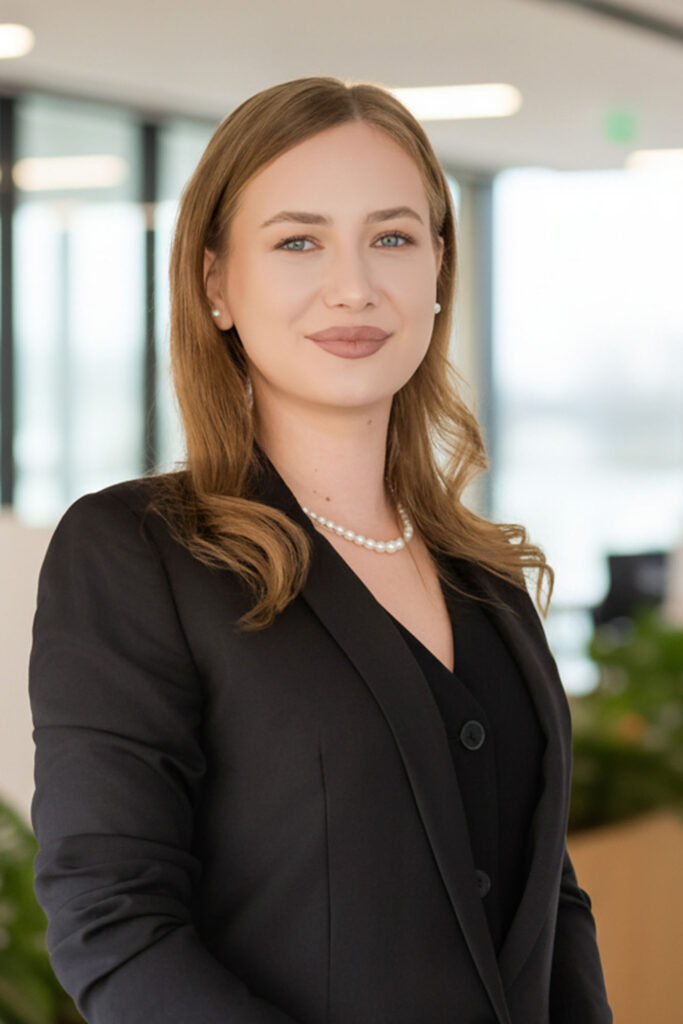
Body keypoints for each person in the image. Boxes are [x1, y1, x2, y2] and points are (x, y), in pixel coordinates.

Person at [29, 76, 613, 1024]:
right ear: (216, 283)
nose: (354, 286)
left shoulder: (484, 573)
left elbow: (549, 897)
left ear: (437, 269)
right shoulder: (137, 553)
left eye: (392, 238)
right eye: (298, 241)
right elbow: (113, 924)